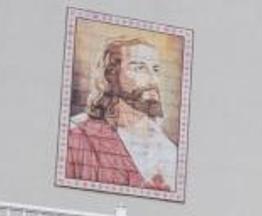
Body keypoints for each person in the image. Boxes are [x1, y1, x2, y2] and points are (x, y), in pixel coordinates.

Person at [65, 37, 178, 191]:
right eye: (139, 68)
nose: (153, 80)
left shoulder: (169, 150)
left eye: (156, 70)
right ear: (111, 75)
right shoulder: (77, 137)